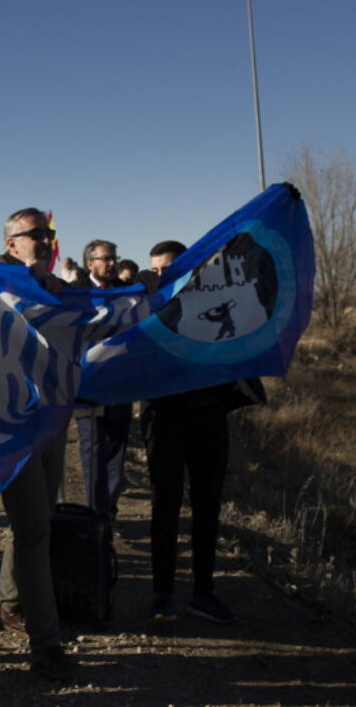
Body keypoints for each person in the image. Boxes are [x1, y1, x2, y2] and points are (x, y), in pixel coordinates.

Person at [144, 241, 257, 625]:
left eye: (171, 268)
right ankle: (162, 595)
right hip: (165, 420)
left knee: (207, 507)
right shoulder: (146, 307)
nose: (164, 275)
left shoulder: (217, 300)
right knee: (165, 507)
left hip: (210, 418)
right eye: (157, 269)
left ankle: (203, 593)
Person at [0, 207, 79, 681]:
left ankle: (9, 601)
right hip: (15, 429)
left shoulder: (57, 287)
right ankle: (46, 643)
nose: (44, 241)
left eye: (48, 234)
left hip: (54, 420)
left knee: (35, 524)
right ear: (11, 244)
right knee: (33, 531)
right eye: (33, 235)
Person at [71, 240, 133, 521]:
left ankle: (109, 511)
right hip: (89, 386)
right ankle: (96, 513)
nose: (111, 263)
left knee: (117, 453)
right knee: (93, 453)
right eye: (105, 259)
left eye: (113, 258)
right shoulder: (78, 295)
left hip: (120, 385)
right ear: (90, 263)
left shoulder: (126, 294)